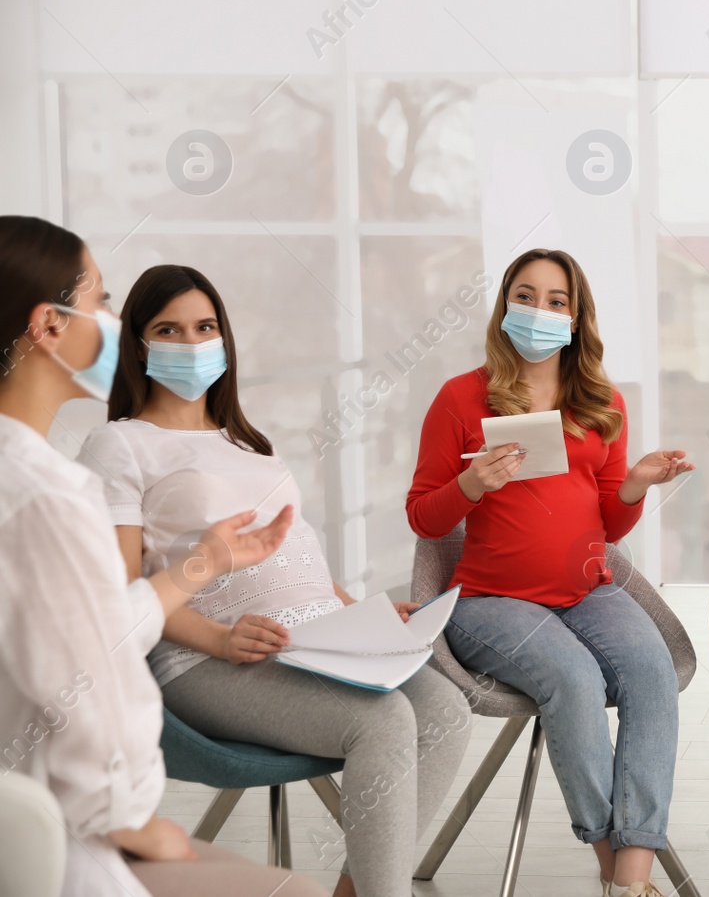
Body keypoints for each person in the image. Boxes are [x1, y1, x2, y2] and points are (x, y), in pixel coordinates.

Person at [75, 264, 471, 897]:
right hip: (206, 661)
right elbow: (121, 599)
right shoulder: (118, 446)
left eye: (205, 327)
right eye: (168, 330)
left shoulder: (250, 444)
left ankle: (359, 889)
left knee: (447, 709)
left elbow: (302, 560)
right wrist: (218, 640)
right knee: (386, 720)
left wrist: (362, 614)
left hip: (317, 643)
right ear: (138, 346)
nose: (191, 342)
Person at [0, 216, 324, 897]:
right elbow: (86, 679)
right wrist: (134, 822)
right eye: (98, 301)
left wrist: (197, 567)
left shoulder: (26, 478)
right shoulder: (45, 495)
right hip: (54, 835)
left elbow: (92, 624)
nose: (111, 322)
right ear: (48, 325)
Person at [408, 248, 693, 897]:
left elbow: (610, 527)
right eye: (526, 295)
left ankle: (635, 871)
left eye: (556, 300)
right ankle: (605, 854)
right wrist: (471, 483)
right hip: (489, 602)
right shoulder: (460, 397)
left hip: (587, 587)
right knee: (573, 675)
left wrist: (636, 485)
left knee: (651, 671)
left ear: (576, 316)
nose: (539, 311)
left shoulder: (601, 400)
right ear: (506, 305)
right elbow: (425, 517)